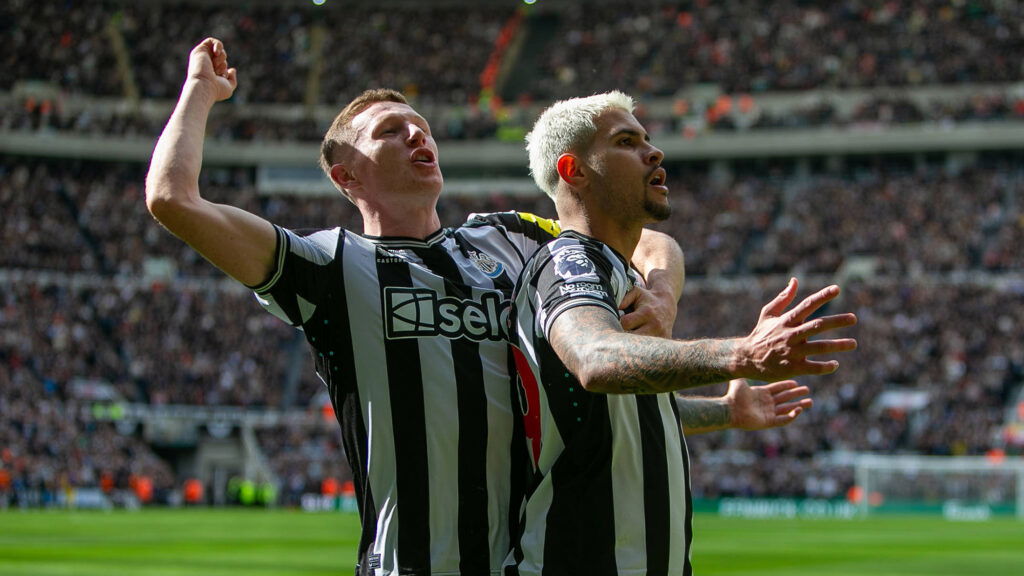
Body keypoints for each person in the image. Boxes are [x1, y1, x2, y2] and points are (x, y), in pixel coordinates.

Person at [146, 39, 812, 576]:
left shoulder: (510, 240)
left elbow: (642, 241)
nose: (417, 136)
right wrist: (200, 91)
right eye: (390, 132)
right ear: (347, 175)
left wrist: (662, 294)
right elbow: (173, 200)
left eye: (421, 127)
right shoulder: (329, 265)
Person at [506, 91, 858, 575]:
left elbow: (621, 414)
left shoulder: (620, 272)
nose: (654, 152)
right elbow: (596, 358)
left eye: (647, 139)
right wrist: (742, 354)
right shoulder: (569, 261)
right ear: (575, 171)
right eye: (626, 142)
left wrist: (725, 411)